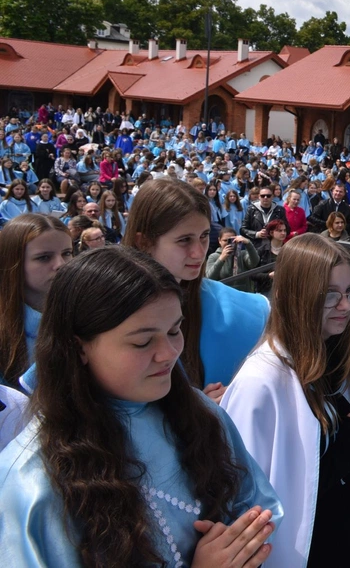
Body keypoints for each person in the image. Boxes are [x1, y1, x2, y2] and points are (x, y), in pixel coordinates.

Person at [0, 247, 282, 567]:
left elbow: (256, 504)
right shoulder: (32, 481)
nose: (169, 353)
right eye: (143, 342)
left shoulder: (197, 411)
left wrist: (243, 543)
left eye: (174, 330)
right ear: (78, 346)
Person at [222, 235, 350, 566]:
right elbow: (250, 500)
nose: (345, 305)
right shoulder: (261, 383)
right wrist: (344, 452)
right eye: (330, 295)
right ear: (295, 296)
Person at [124, 178, 269, 403]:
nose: (199, 252)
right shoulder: (114, 310)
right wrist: (195, 407)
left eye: (204, 236)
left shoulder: (244, 308)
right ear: (144, 242)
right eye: (184, 240)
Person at [0, 214, 72, 387]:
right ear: (13, 263)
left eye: (67, 253)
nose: (61, 264)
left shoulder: (87, 313)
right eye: (44, 257)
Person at [206, 228, 260, 293]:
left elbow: (254, 263)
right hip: (223, 294)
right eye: (225, 240)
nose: (228, 243)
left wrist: (248, 243)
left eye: (231, 240)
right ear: (219, 241)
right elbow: (209, 278)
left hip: (243, 293)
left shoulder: (242, 254)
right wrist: (221, 259)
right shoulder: (214, 257)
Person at [252, 219, 290, 298]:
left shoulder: (289, 250)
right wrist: (268, 275)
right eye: (279, 230)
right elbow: (252, 274)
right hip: (265, 290)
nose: (283, 233)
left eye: (284, 230)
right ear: (271, 233)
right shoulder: (261, 250)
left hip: (285, 289)